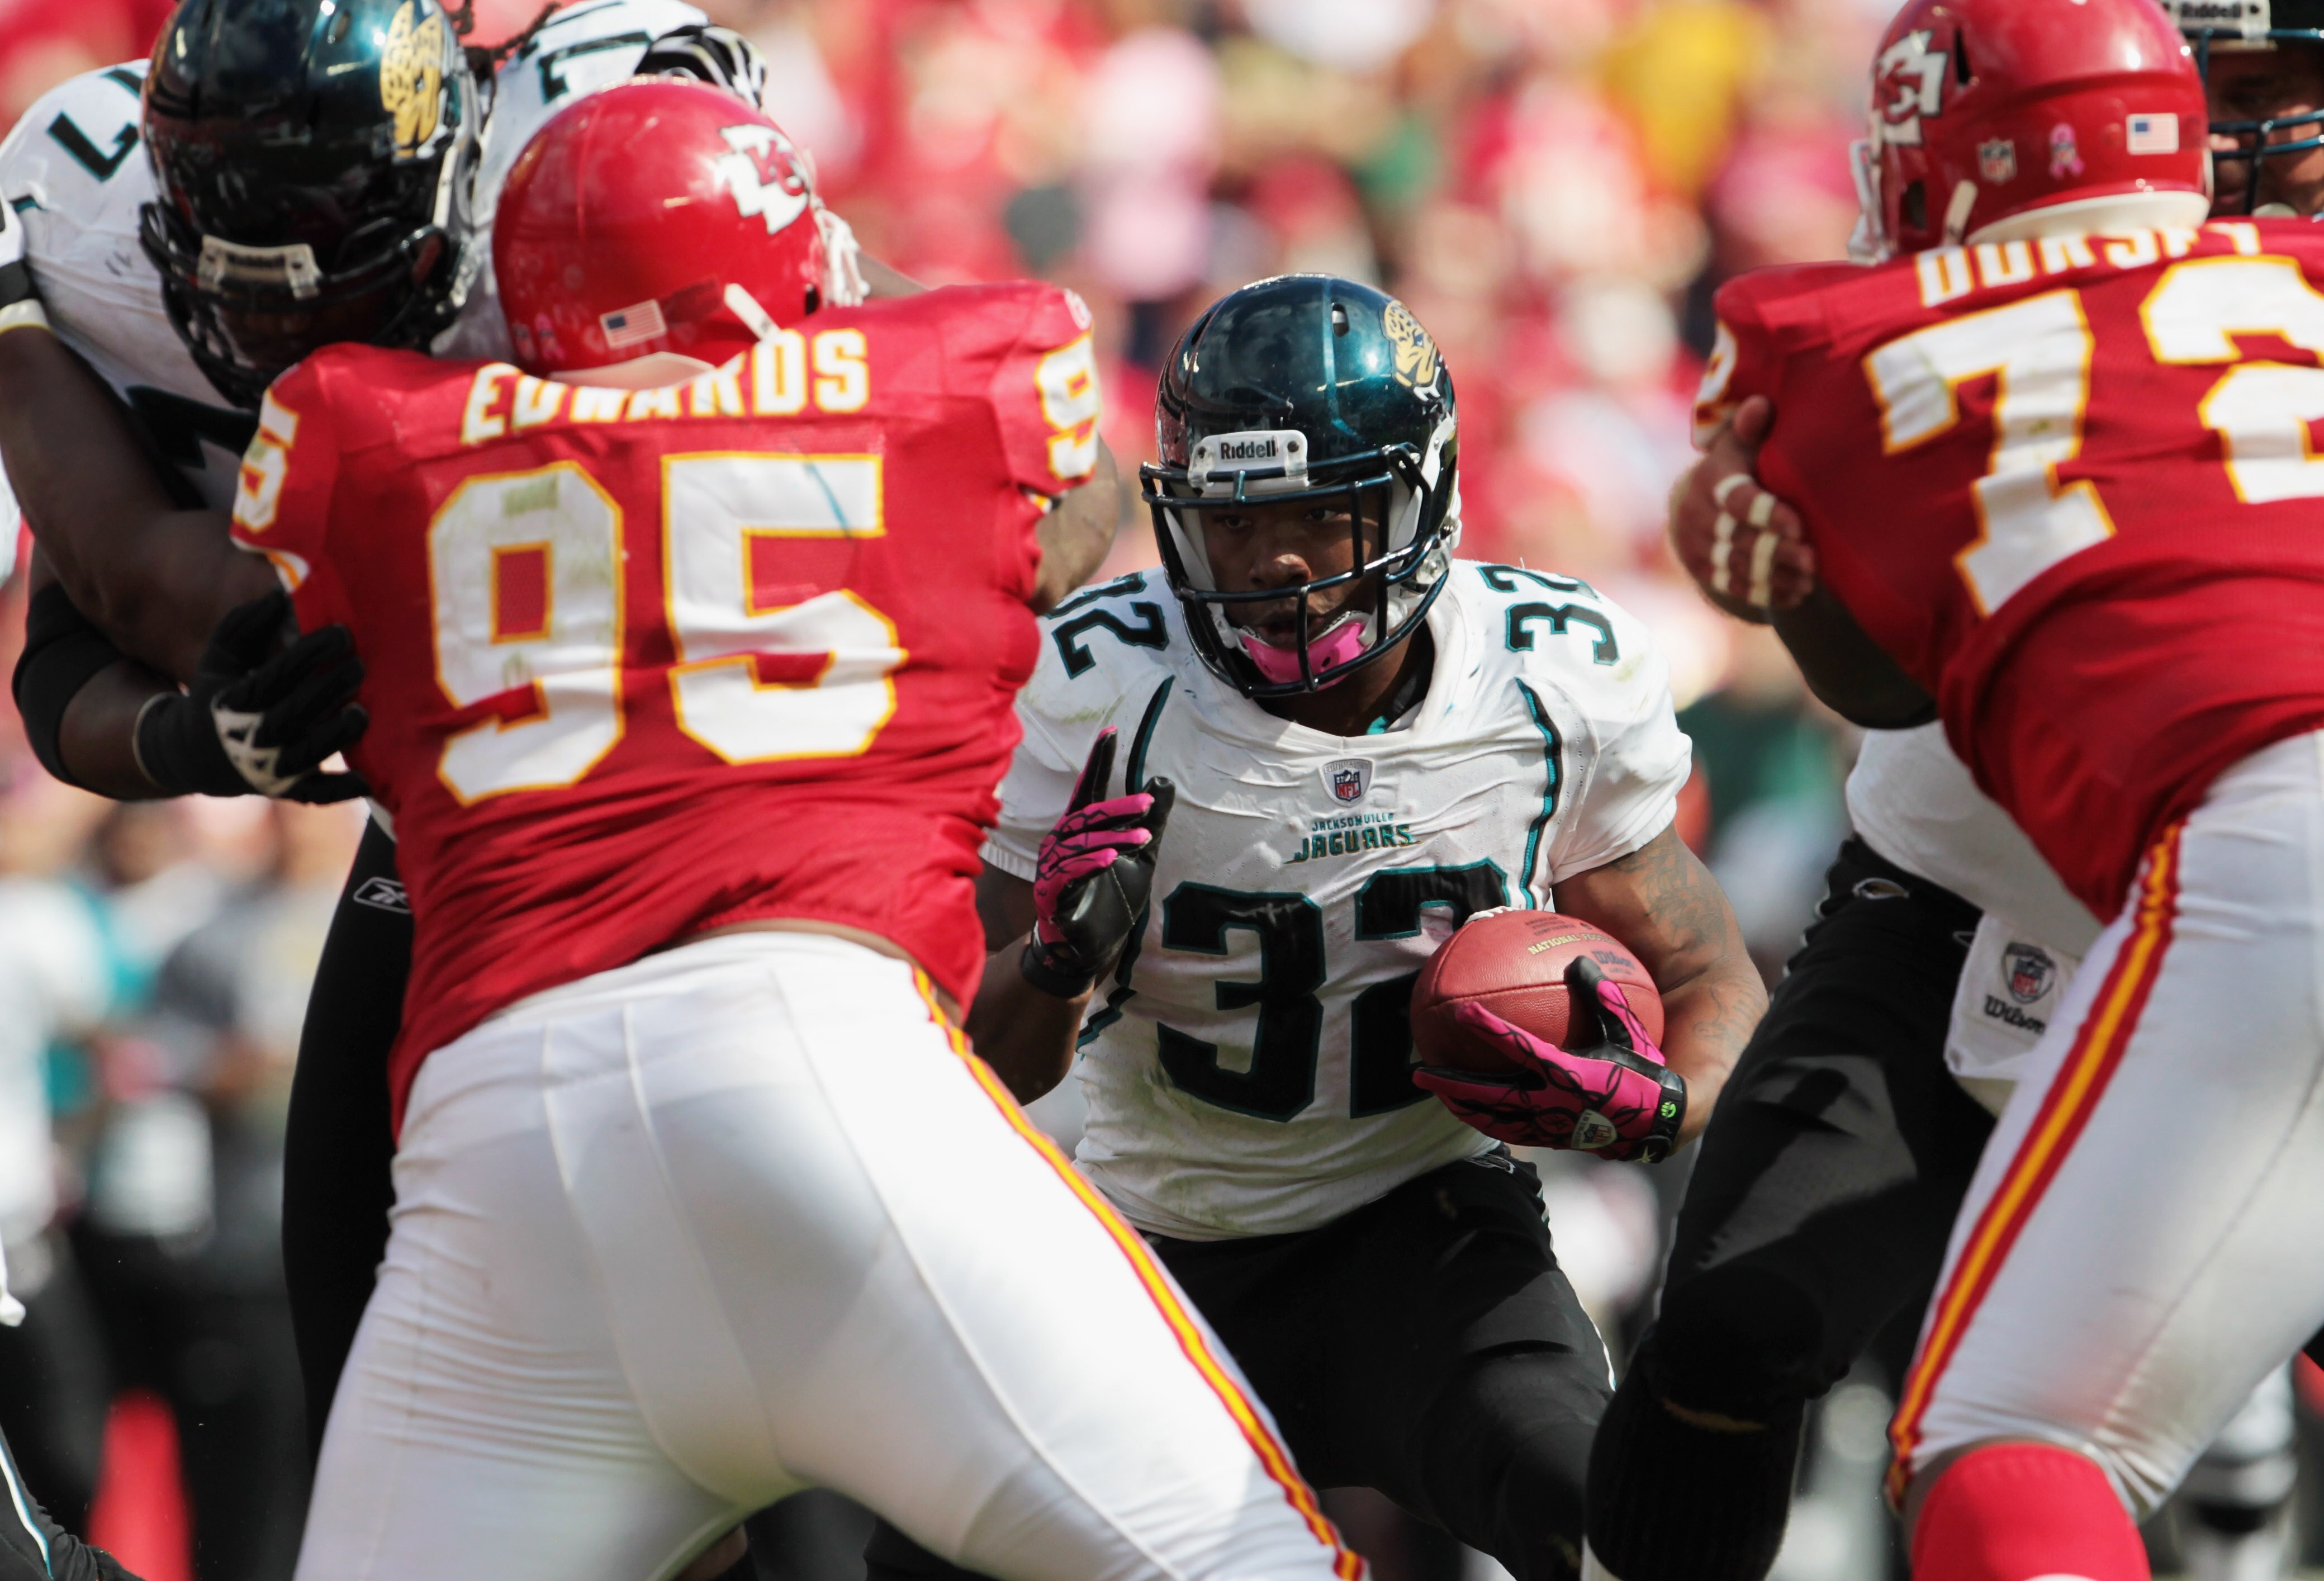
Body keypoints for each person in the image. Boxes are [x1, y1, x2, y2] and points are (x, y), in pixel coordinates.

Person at [212, 78, 1362, 1581]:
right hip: (817, 1065)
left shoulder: (367, 428)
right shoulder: (951, 375)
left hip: (500, 1138)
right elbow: (1067, 512)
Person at [0, 0, 875, 1466]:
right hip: (456, 851)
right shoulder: (85, 214)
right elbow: (76, 651)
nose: (279, 318)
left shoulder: (590, 170)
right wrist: (205, 734)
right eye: (236, 240)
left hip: (740, 832)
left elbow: (996, 437)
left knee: (794, 1413)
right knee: (369, 1377)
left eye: (328, 244)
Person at [862, 274, 1763, 1581]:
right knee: (929, 1561)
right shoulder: (1099, 688)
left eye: (1323, 516)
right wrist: (1058, 962)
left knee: (1618, 1525)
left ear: (1425, 498)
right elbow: (974, 1066)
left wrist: (1666, 1108)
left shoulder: (1549, 673)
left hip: (1430, 1233)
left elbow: (1705, 969)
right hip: (1154, 1246)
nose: (1278, 564)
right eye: (1240, 525)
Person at [1582, 3, 2324, 1575]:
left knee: (2043, 1432)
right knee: (1732, 1317)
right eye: (2213, 92)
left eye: (2280, 89)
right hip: (1967, 882)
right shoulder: (1961, 261)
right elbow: (1879, 675)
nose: (2241, 133)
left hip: (2226, 871)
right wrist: (1795, 574)